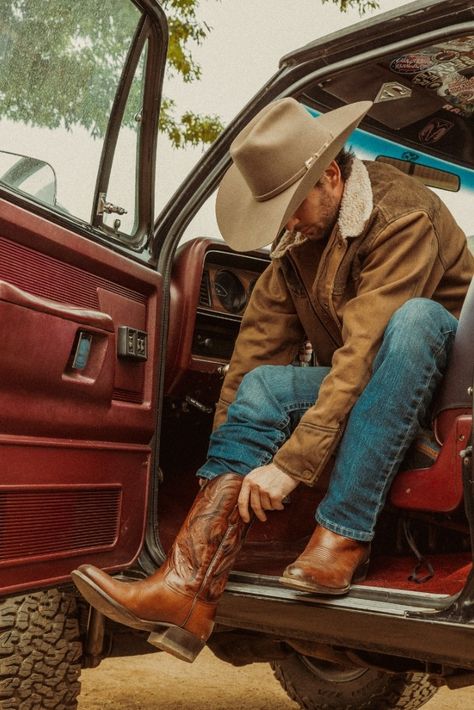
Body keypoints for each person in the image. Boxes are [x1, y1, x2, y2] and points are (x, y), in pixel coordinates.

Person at [72, 98, 474, 663]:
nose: (285, 223)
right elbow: (252, 354)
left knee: (416, 321)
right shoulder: (296, 245)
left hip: (444, 388)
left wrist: (290, 465)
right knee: (262, 384)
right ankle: (188, 585)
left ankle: (343, 533)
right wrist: (231, 462)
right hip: (367, 385)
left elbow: (364, 351)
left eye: (290, 206)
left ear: (330, 176)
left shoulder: (403, 214)